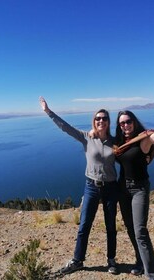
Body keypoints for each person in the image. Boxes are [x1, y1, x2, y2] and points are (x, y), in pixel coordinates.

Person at [39, 96, 119, 275]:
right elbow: (66, 128)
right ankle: (78, 260)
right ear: (94, 121)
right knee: (84, 226)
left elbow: (133, 145)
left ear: (108, 122)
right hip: (91, 186)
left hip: (111, 188)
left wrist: (149, 142)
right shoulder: (86, 138)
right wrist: (49, 112)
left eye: (104, 118)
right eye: (98, 118)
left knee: (111, 226)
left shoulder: (115, 141)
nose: (101, 121)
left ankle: (111, 260)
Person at [114, 91, 154, 280]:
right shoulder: (120, 142)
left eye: (128, 121)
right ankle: (139, 262)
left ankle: (152, 274)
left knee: (140, 231)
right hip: (122, 188)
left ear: (134, 122)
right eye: (122, 123)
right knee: (130, 228)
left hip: (139, 188)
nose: (125, 125)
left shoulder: (144, 139)